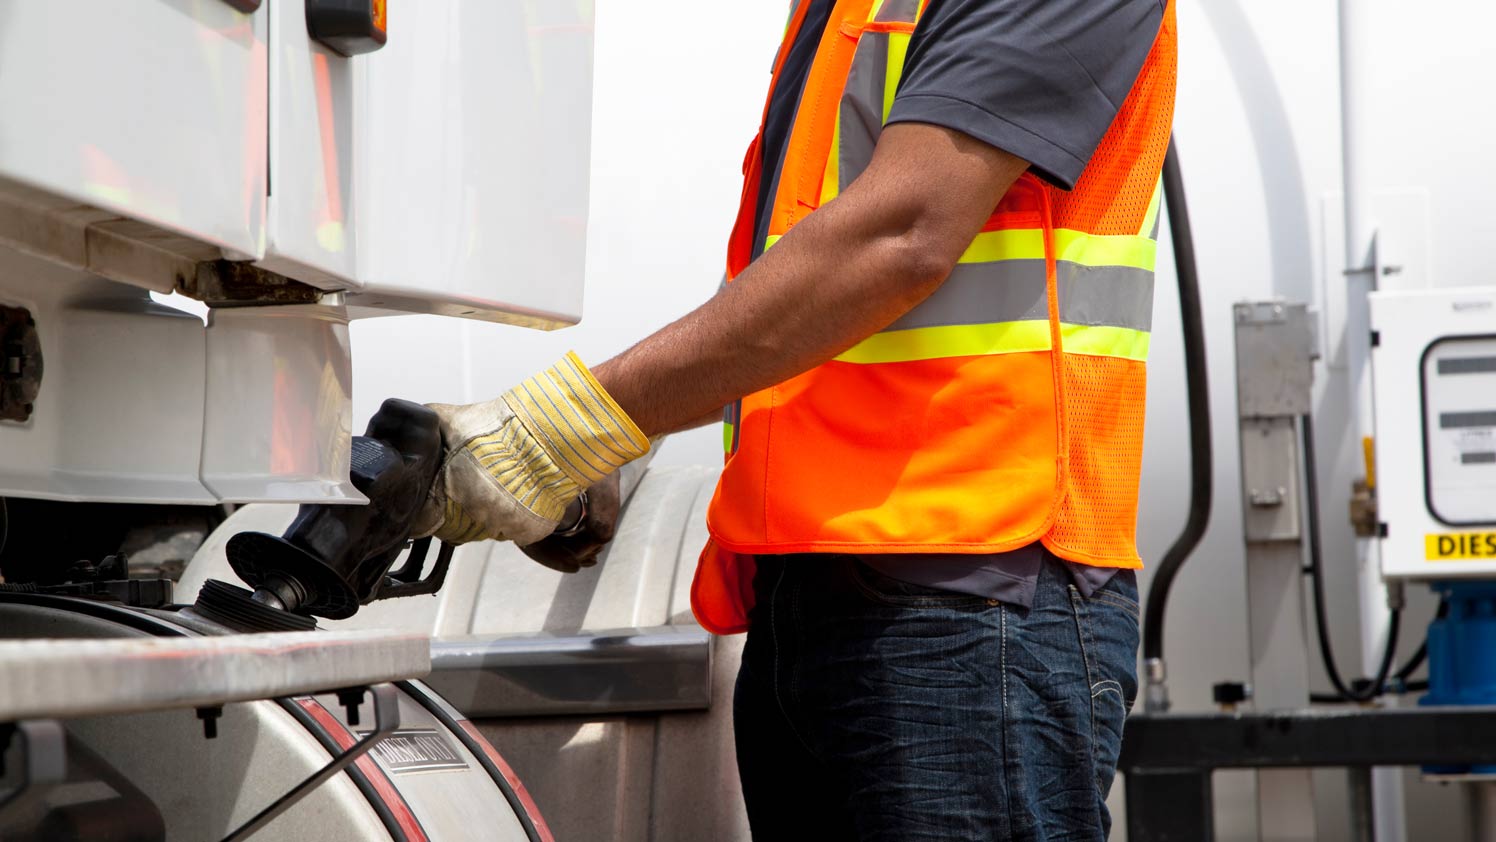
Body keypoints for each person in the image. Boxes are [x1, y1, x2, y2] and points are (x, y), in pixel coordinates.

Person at [415, 0, 1176, 838]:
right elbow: (806, 280)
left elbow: (903, 233)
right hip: (826, 597)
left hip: (974, 598)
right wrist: (629, 431)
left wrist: (563, 431)